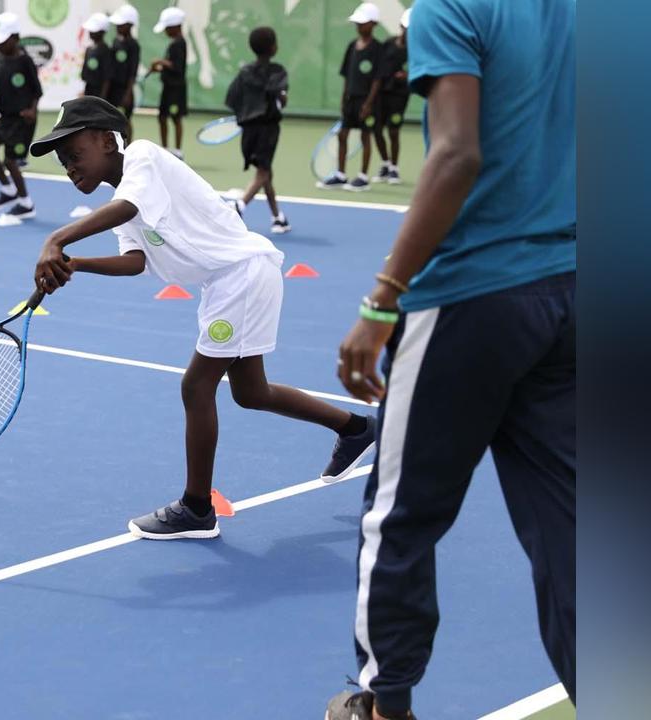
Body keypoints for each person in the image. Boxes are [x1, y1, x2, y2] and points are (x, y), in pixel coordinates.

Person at [325, 0, 576, 716]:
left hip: (472, 297)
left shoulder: (453, 6)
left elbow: (458, 152)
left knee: (400, 514)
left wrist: (381, 302)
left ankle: (383, 702)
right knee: (575, 528)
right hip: (577, 294)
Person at [28, 97, 377, 541]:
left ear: (106, 140)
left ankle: (196, 508)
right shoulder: (124, 198)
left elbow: (130, 207)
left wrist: (56, 239)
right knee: (251, 392)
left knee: (196, 385)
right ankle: (357, 428)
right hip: (229, 282)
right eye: (63, 163)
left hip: (241, 275)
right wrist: (75, 264)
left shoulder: (143, 158)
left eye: (74, 155)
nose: (70, 168)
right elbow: (135, 261)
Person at [224, 26, 290, 234]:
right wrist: (281, 98)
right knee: (263, 171)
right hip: (268, 128)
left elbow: (232, 98)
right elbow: (280, 97)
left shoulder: (244, 72)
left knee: (266, 170)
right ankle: (240, 205)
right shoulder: (278, 71)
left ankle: (277, 217)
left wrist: (244, 116)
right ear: (274, 48)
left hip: (249, 130)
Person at [0, 12, 42, 220]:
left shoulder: (25, 61)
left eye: (2, 41)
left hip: (22, 119)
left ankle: (26, 203)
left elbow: (37, 90)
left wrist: (33, 110)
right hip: (4, 117)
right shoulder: (0, 58)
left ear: (15, 38)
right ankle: (8, 191)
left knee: (10, 161)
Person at [317, 2, 384, 192]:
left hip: (367, 102)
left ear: (373, 24)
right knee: (343, 135)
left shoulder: (378, 49)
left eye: (362, 23)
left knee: (365, 136)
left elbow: (377, 80)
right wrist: (343, 98)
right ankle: (340, 175)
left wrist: (368, 104)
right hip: (351, 101)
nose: (358, 26)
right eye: (357, 23)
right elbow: (347, 75)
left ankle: (363, 177)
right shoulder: (352, 46)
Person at [372, 8, 411, 184]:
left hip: (400, 96)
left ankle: (394, 169)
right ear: (400, 27)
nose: (407, 32)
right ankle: (385, 164)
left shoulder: (416, 49)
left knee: (393, 131)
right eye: (405, 28)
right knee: (377, 129)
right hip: (382, 94)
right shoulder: (387, 44)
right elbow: (378, 70)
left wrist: (407, 76)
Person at [150, 7, 188, 159]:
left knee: (175, 118)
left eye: (167, 28)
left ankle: (178, 150)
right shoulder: (174, 43)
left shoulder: (179, 43)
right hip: (168, 88)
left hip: (176, 90)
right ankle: (165, 148)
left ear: (176, 27)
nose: (165, 31)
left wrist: (160, 62)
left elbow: (177, 67)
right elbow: (171, 66)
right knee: (162, 117)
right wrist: (159, 69)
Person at [105, 4, 141, 142]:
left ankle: (129, 147)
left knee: (126, 120)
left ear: (130, 25)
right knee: (110, 119)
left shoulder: (134, 45)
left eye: (121, 24)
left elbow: (133, 72)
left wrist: (128, 94)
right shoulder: (115, 41)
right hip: (112, 89)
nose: (117, 27)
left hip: (125, 89)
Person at [80, 13, 114, 99]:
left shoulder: (106, 51)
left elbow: (107, 77)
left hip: (99, 93)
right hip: (89, 90)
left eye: (94, 30)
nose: (90, 33)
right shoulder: (89, 49)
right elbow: (85, 74)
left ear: (102, 32)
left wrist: (103, 96)